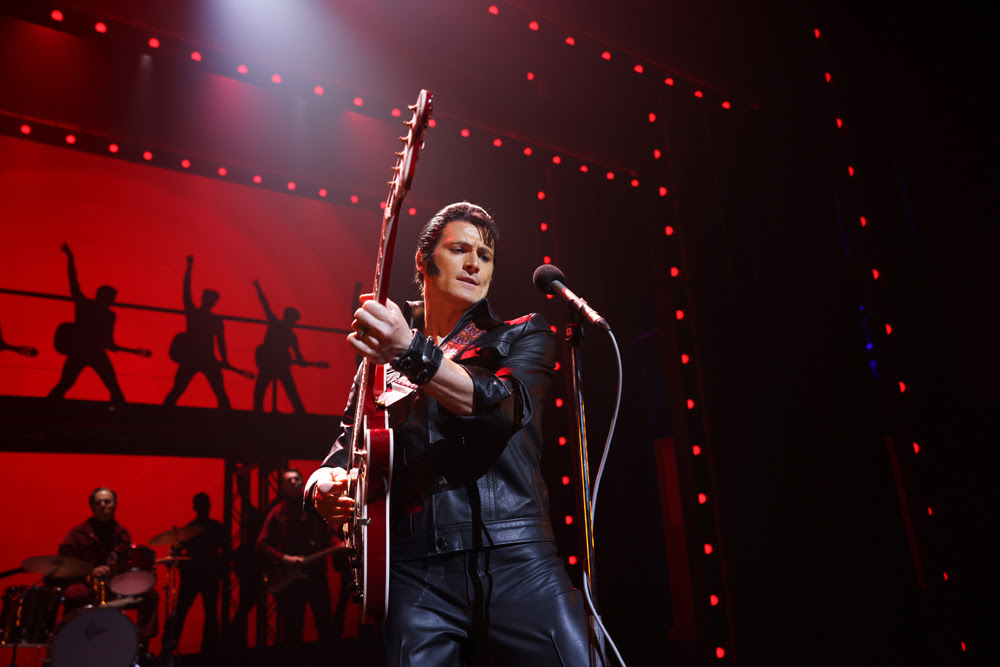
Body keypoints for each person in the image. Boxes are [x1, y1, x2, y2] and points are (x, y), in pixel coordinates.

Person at [308, 202, 598, 665]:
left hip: (517, 558)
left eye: (485, 256)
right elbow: (345, 449)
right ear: (423, 262)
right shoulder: (380, 360)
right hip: (412, 571)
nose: (473, 264)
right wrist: (319, 488)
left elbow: (500, 410)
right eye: (459, 249)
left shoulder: (523, 334)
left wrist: (409, 351)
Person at [55, 487, 159, 658]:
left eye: (107, 501)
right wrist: (89, 572)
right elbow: (64, 564)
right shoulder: (78, 533)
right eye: (98, 502)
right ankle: (69, 648)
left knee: (150, 595)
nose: (103, 505)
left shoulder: (122, 533)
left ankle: (141, 647)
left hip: (116, 588)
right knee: (73, 593)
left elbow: (128, 563)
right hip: (88, 587)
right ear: (92, 506)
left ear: (115, 505)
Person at [257, 468, 341, 663]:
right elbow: (261, 545)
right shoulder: (278, 512)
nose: (294, 482)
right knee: (293, 628)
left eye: (297, 479)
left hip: (317, 577)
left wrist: (341, 546)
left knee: (325, 625)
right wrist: (285, 558)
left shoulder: (316, 509)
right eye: (289, 480)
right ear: (283, 486)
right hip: (292, 582)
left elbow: (331, 539)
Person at [47, 243, 127, 403]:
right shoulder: (90, 307)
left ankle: (47, 406)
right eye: (111, 299)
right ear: (103, 297)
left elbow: (108, 338)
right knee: (69, 383)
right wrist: (71, 259)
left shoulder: (104, 313)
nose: (112, 302)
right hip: (85, 352)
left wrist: (111, 345)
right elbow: (73, 282)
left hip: (89, 352)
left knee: (110, 384)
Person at [162, 492, 226, 657]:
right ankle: (208, 652)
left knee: (200, 612)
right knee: (200, 612)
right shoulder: (209, 527)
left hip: (199, 575)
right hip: (198, 575)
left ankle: (207, 652)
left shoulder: (192, 529)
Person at [164, 255, 232, 409]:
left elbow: (221, 341)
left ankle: (164, 412)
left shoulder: (199, 315)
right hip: (199, 359)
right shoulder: (202, 316)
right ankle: (229, 420)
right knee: (181, 389)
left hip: (203, 359)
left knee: (218, 392)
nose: (209, 301)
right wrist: (189, 267)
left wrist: (225, 359)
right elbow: (186, 289)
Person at [251, 280, 308, 413]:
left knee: (262, 390)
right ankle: (301, 414)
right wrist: (258, 288)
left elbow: (298, 355)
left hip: (275, 364)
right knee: (288, 391)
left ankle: (258, 412)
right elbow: (265, 304)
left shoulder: (281, 329)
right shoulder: (287, 332)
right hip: (275, 363)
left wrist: (300, 360)